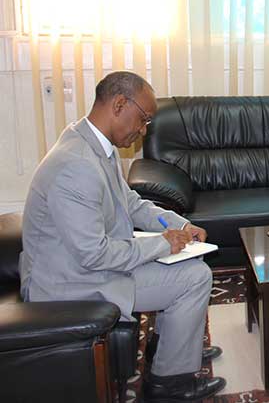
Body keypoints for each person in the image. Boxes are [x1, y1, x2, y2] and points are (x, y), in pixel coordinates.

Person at [19, 71, 226, 401]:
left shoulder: (93, 145)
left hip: (81, 266)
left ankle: (171, 349)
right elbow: (94, 255)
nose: (143, 131)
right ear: (119, 104)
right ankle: (168, 384)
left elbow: (130, 203)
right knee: (195, 278)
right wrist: (162, 243)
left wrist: (180, 225)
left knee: (188, 262)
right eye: (143, 119)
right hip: (70, 282)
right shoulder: (76, 165)